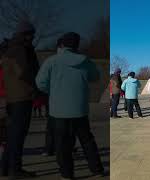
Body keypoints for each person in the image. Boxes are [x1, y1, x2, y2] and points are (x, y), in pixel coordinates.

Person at [36, 32, 105, 179]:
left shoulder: (52, 61)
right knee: (87, 141)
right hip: (79, 109)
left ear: (61, 44)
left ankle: (67, 174)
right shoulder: (85, 61)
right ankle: (97, 170)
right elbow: (95, 77)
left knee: (62, 144)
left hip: (58, 111)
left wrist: (53, 90)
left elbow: (40, 83)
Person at [0, 21, 39, 178]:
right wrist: (36, 84)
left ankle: (5, 167)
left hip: (12, 97)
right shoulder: (21, 49)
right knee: (18, 136)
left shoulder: (8, 48)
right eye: (32, 34)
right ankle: (15, 170)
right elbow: (23, 72)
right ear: (27, 34)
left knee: (11, 135)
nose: (33, 38)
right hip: (22, 96)